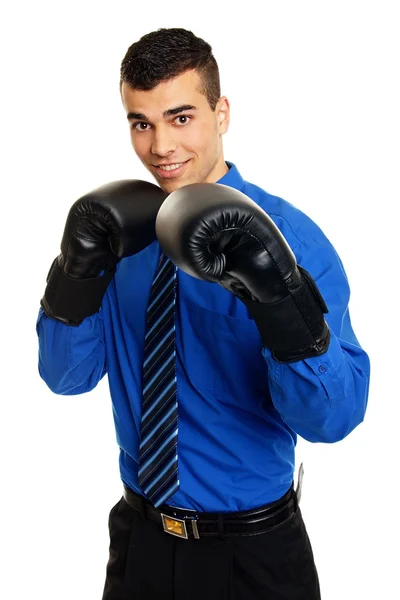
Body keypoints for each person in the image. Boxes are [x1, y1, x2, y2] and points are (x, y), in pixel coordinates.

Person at [36, 27, 370, 600]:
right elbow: (66, 378)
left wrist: (279, 297)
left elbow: (332, 421)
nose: (161, 146)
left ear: (222, 112)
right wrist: (75, 268)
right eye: (142, 123)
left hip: (253, 556)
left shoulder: (290, 239)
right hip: (138, 542)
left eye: (181, 117)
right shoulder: (118, 232)